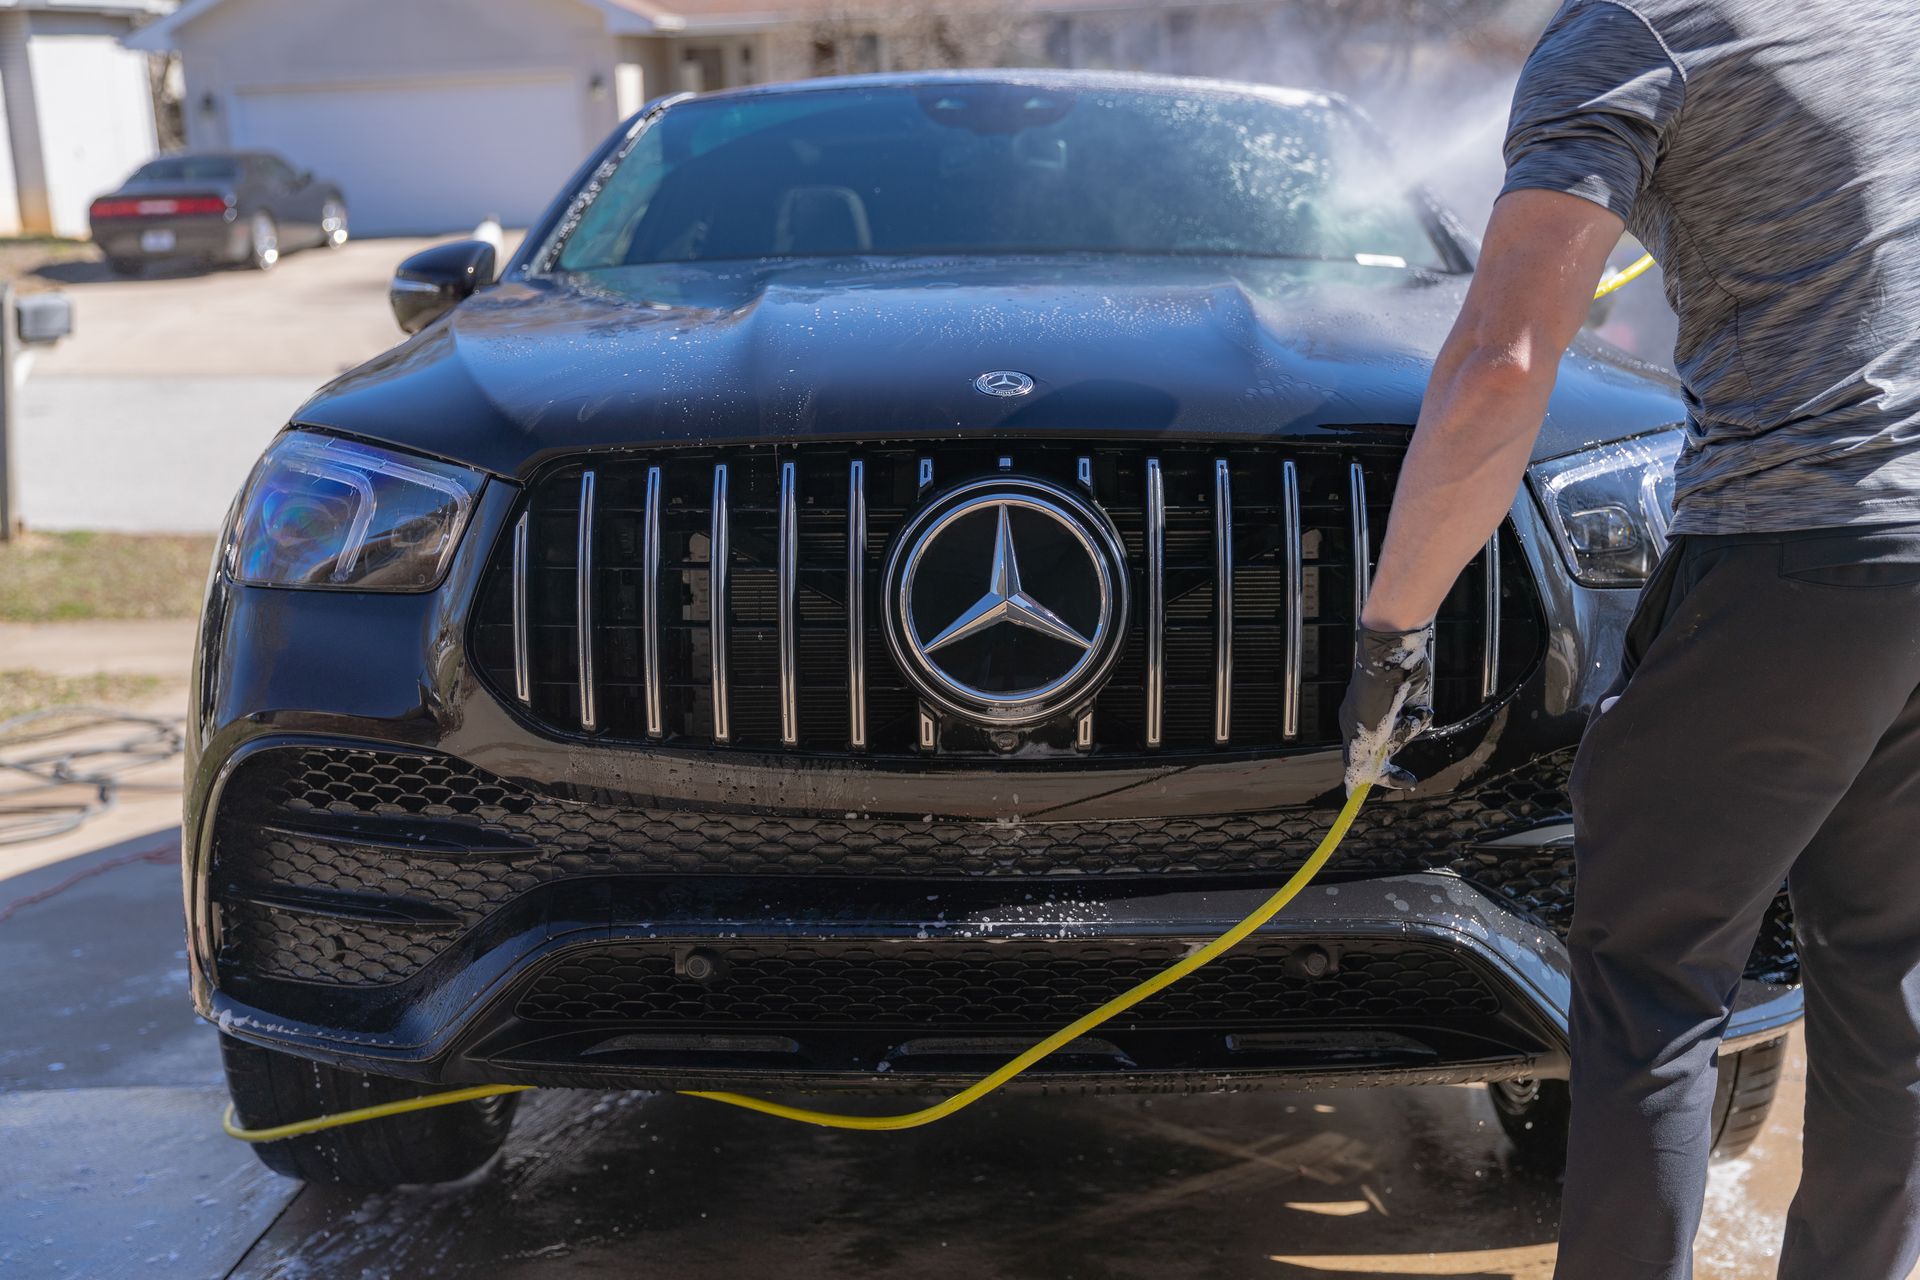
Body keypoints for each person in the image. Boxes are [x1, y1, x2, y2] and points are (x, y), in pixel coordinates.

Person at [1337, 2, 1920, 1276]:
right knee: (1888, 982)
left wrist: (1392, 627)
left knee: (1651, 979)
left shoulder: (1634, 30)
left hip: (1792, 550)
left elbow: (1502, 362)